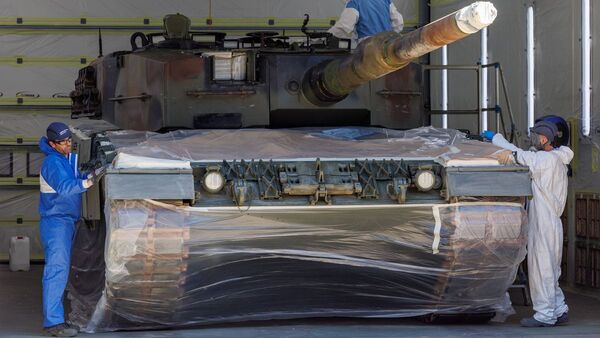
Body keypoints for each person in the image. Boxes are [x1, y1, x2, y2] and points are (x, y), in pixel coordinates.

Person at [481, 120, 574, 327]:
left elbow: (519, 156)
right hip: (552, 223)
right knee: (551, 270)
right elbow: (522, 154)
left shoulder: (544, 160)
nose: (531, 140)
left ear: (543, 139)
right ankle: (559, 309)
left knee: (542, 269)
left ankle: (544, 315)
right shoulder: (557, 158)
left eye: (534, 137)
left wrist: (497, 140)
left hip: (544, 222)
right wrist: (498, 139)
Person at [39, 122, 94, 337]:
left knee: (62, 270)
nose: (68, 145)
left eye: (70, 141)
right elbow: (65, 188)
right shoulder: (52, 162)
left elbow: (73, 179)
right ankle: (53, 324)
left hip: (67, 221)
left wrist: (89, 174)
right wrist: (87, 183)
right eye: (63, 143)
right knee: (56, 271)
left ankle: (56, 318)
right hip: (56, 223)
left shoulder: (63, 159)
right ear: (52, 144)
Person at [328, 0, 404, 43]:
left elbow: (343, 27)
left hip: (367, 47)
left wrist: (325, 36)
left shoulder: (355, 2)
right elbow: (399, 22)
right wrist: (389, 37)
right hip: (387, 46)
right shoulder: (386, 1)